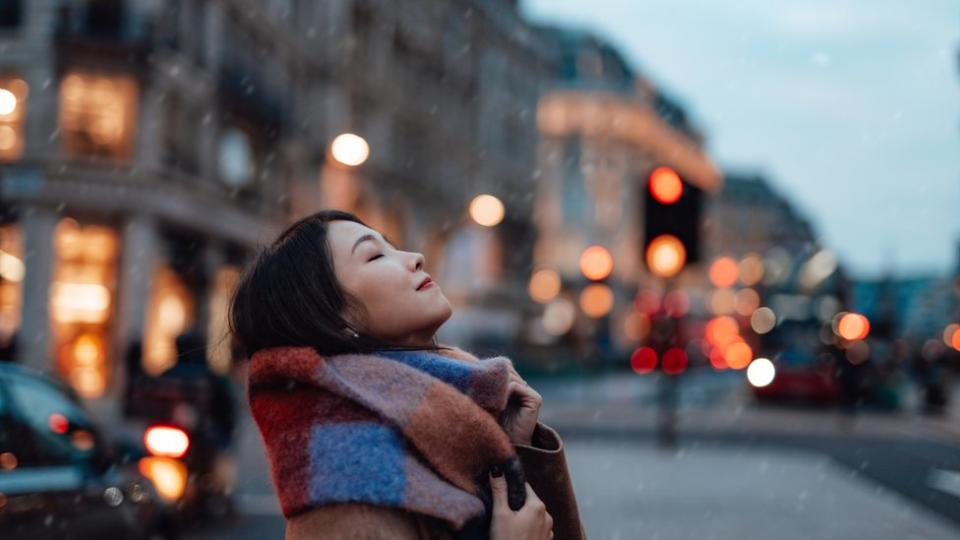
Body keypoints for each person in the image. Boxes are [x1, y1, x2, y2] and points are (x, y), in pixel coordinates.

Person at [229, 209, 585, 540]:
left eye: (393, 246)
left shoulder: (460, 419)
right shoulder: (346, 484)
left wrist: (512, 446)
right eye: (374, 255)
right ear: (334, 319)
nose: (415, 257)